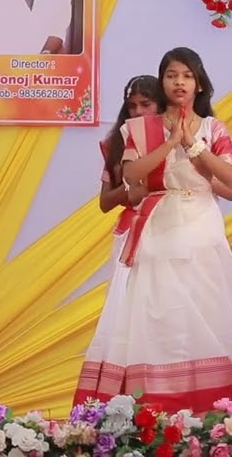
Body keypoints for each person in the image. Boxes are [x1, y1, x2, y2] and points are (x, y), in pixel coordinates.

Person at [77, 47, 232, 412]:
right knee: (155, 321)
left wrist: (192, 144)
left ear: (199, 84)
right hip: (157, 231)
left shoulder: (214, 129)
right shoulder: (140, 129)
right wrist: (170, 141)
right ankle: (151, 408)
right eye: (171, 75)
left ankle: (201, 411)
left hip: (201, 233)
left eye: (186, 75)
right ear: (162, 82)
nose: (179, 82)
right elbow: (132, 175)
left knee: (202, 319)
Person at [73, 75, 162, 407]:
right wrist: (130, 192)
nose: (137, 111)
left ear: (161, 105)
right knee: (128, 317)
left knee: (162, 316)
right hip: (132, 239)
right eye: (132, 105)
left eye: (146, 104)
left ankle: (163, 400)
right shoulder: (116, 144)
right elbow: (105, 202)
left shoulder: (172, 139)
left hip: (171, 234)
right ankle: (123, 403)